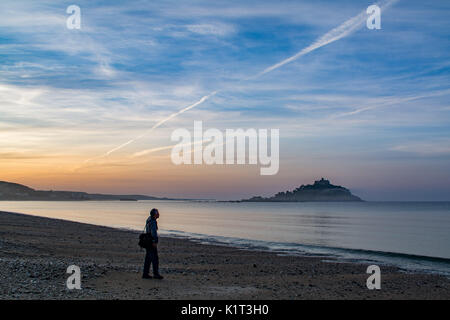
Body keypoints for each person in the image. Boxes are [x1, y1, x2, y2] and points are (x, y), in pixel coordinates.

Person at [142, 208, 163, 279]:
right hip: (151, 241)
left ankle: (145, 273)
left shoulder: (149, 219)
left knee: (148, 258)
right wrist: (155, 241)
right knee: (155, 258)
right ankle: (155, 274)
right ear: (155, 214)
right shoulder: (153, 221)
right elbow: (153, 233)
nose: (159, 214)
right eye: (157, 213)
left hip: (148, 240)